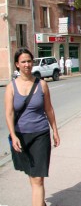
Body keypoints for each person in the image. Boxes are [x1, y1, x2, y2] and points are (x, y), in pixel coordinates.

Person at [5, 48, 60, 206]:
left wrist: (55, 131)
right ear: (17, 64)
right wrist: (13, 135)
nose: (27, 64)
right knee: (31, 174)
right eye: (23, 61)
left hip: (40, 135)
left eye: (29, 61)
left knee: (37, 178)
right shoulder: (11, 87)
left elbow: (49, 109)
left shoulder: (42, 85)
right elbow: (8, 114)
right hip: (21, 136)